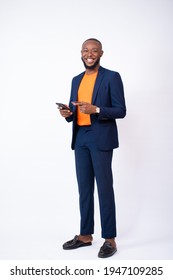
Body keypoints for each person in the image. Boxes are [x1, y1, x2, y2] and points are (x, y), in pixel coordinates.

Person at [58, 38, 126, 258]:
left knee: (105, 189)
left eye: (94, 50)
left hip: (101, 138)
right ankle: (85, 235)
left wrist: (96, 109)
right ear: (81, 53)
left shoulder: (111, 77)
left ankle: (109, 239)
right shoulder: (76, 80)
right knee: (84, 189)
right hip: (80, 138)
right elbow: (74, 110)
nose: (90, 54)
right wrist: (68, 114)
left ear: (101, 53)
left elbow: (121, 110)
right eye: (86, 50)